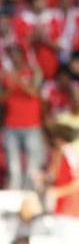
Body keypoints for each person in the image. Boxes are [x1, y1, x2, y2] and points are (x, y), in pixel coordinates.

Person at [1, 45, 44, 190]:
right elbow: (2, 98)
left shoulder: (32, 72)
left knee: (33, 163)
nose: (14, 58)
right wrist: (11, 85)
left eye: (17, 54)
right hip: (11, 123)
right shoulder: (5, 75)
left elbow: (35, 93)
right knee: (13, 165)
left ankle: (30, 191)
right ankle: (14, 191)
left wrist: (18, 81)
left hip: (31, 123)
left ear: (22, 56)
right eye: (12, 55)